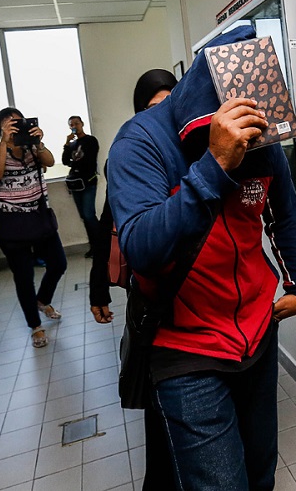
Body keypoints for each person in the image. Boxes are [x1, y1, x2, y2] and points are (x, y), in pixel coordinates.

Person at [107, 30, 296, 490]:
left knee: (261, 474)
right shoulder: (139, 142)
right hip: (185, 349)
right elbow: (141, 245)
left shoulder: (260, 135)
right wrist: (213, 165)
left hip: (256, 334)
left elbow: (282, 213)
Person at [89, 68, 178, 491]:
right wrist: (96, 287)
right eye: (151, 108)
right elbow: (110, 221)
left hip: (197, 300)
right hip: (152, 298)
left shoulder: (197, 149)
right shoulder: (134, 154)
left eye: (170, 105)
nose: (162, 116)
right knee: (160, 402)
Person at [0, 107, 67, 348]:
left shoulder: (33, 148)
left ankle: (42, 300)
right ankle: (35, 327)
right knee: (23, 277)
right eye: (9, 123)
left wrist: (39, 143)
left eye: (18, 122)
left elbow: (50, 162)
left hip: (39, 217)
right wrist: (4, 142)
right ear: (0, 128)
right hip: (11, 222)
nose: (15, 126)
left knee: (59, 263)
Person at [62, 115, 100, 257]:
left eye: (76, 123)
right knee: (84, 216)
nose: (74, 126)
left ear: (82, 124)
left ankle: (100, 245)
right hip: (76, 184)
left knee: (89, 215)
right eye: (71, 124)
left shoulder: (90, 140)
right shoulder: (72, 144)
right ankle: (93, 246)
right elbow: (65, 161)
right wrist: (66, 143)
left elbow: (89, 160)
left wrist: (75, 163)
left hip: (88, 182)